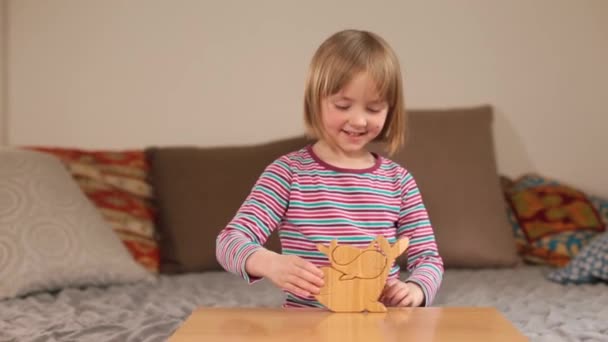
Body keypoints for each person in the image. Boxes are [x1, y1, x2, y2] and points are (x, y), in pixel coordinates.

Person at [216, 29, 443, 309]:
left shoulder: (399, 181)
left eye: (374, 109)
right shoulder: (288, 174)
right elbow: (229, 242)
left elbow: (428, 258)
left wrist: (415, 289)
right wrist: (270, 263)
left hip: (381, 326)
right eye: (343, 105)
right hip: (305, 328)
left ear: (390, 110)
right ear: (315, 100)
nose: (359, 120)